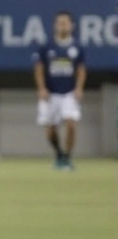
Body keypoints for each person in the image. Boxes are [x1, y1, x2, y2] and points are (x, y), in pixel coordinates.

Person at [33, 11, 86, 171]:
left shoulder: (77, 47)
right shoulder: (46, 47)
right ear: (55, 25)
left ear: (72, 26)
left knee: (71, 124)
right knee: (50, 129)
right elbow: (39, 69)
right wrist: (41, 88)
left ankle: (67, 157)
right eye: (60, 22)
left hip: (69, 92)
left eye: (65, 22)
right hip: (51, 93)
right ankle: (59, 153)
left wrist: (79, 88)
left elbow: (81, 69)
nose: (63, 25)